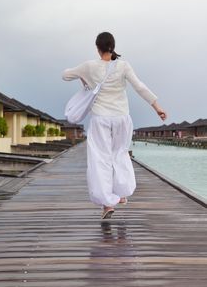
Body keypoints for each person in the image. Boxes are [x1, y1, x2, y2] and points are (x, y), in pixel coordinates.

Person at [62, 32, 167, 219]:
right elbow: (140, 87)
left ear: (97, 47)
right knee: (120, 153)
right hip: (121, 118)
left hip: (101, 118)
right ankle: (122, 193)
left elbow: (65, 75)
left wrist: (82, 77)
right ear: (112, 46)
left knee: (100, 159)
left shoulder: (89, 66)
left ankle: (107, 204)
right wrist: (157, 107)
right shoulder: (123, 65)